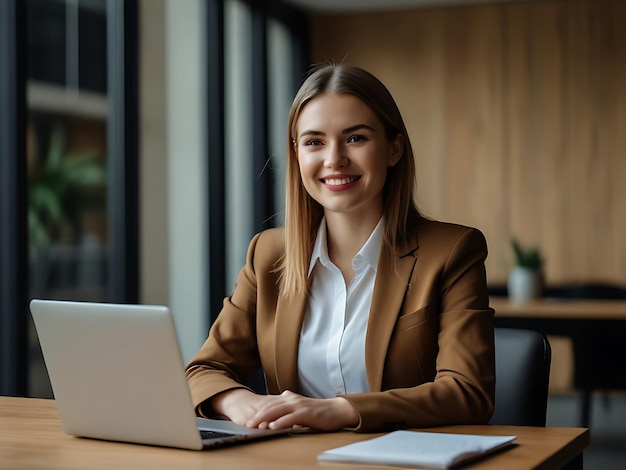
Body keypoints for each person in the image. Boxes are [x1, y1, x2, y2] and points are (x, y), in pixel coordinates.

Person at [185, 64, 495, 433]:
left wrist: (339, 410)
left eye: (355, 138)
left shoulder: (453, 251)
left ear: (394, 149)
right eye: (315, 142)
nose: (334, 159)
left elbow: (467, 392)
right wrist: (240, 402)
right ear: (297, 154)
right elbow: (203, 371)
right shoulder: (268, 254)